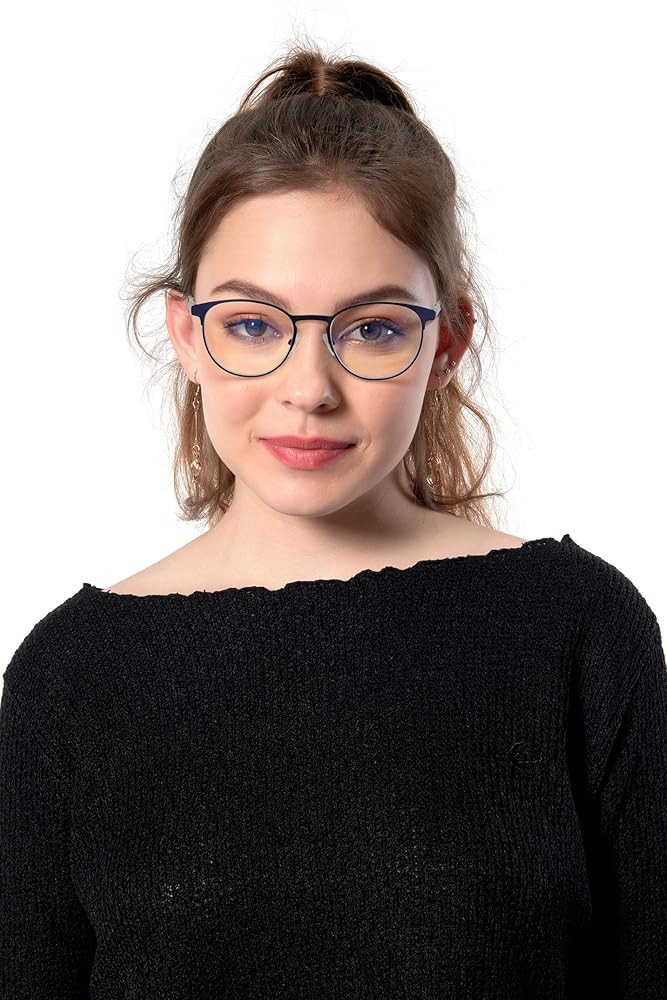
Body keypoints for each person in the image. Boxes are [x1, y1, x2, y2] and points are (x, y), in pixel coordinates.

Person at [1, 39, 665, 1000]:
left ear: (447, 343)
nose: (308, 388)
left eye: (374, 328)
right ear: (187, 335)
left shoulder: (576, 628)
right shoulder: (71, 677)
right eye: (252, 324)